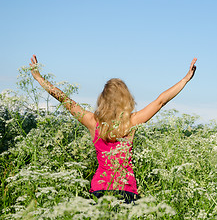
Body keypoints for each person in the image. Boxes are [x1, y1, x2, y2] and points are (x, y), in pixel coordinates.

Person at [29, 55, 197, 203]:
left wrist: (38, 77)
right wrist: (185, 79)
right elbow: (160, 101)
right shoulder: (131, 122)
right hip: (126, 191)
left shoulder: (92, 121)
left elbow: (65, 100)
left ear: (103, 99)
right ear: (126, 98)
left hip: (99, 189)